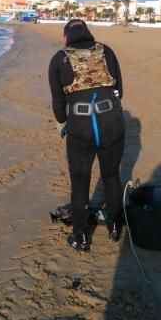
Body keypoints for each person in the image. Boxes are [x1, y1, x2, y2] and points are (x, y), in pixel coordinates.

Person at [48, 19, 125, 252]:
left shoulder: (59, 59)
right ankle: (114, 226)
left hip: (80, 127)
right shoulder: (106, 51)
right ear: (88, 34)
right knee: (111, 176)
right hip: (112, 122)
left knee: (80, 183)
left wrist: (63, 122)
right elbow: (119, 91)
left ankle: (80, 237)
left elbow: (58, 102)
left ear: (66, 38)